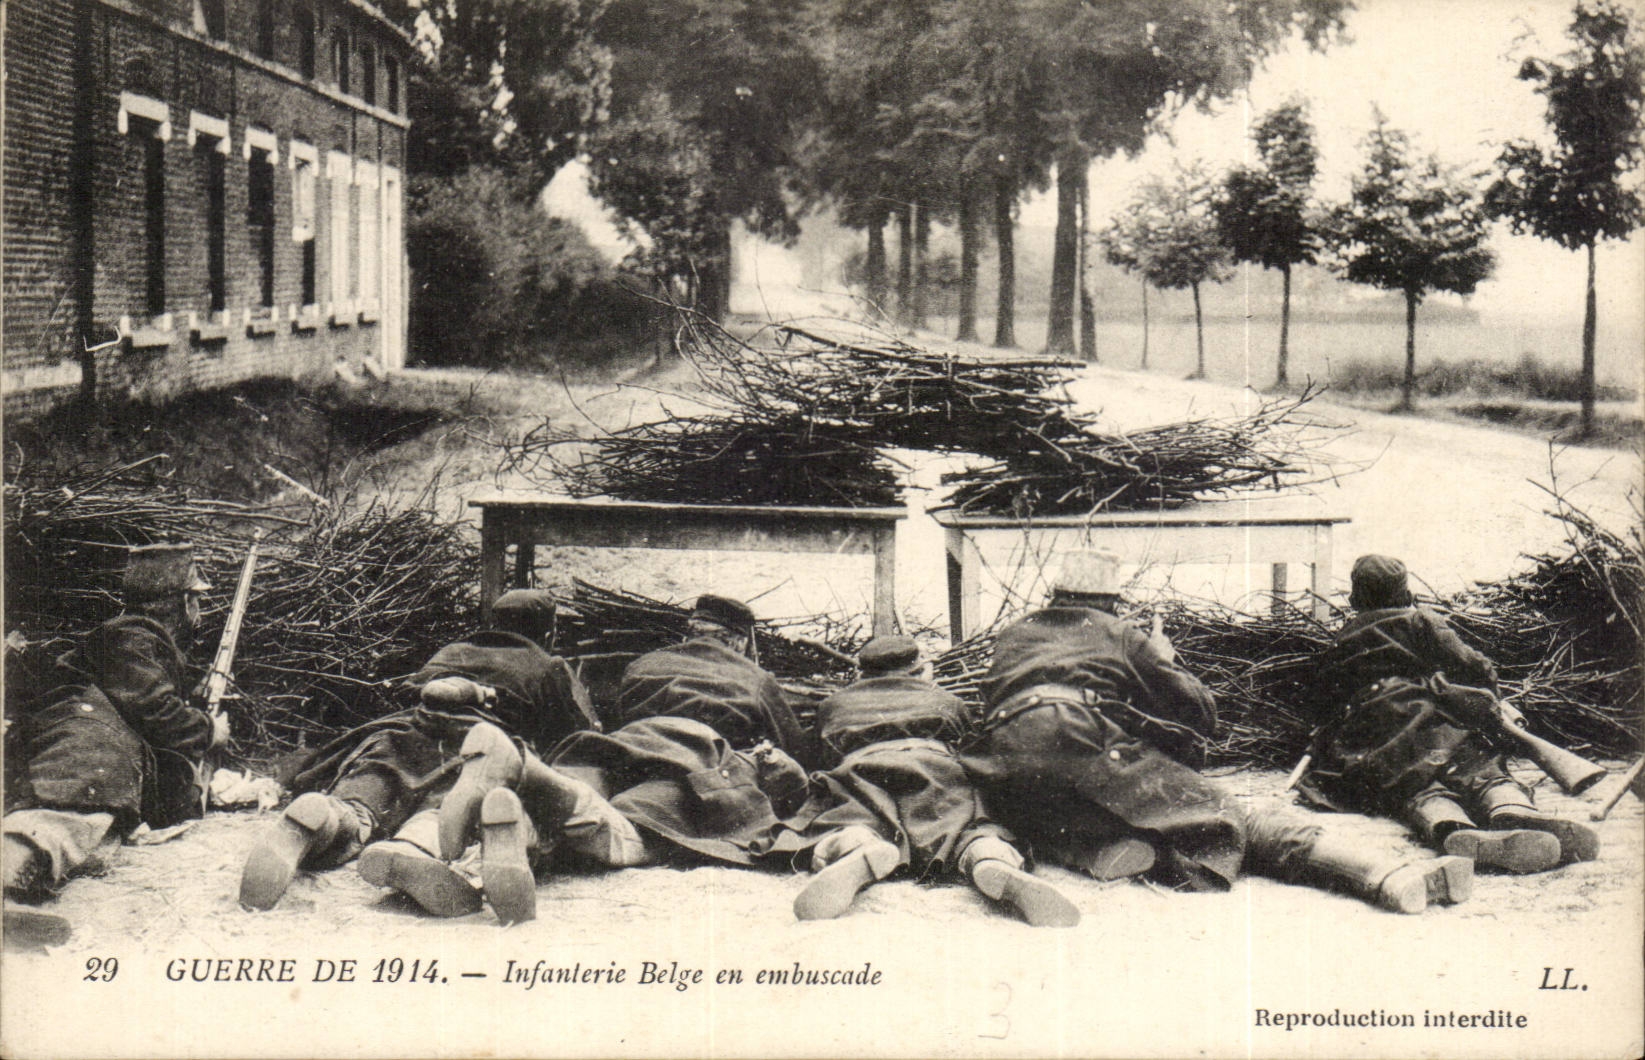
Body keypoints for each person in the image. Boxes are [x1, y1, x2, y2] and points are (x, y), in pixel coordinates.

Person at [964, 548, 1473, 914]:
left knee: (1055, 811)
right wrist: (1166, 660)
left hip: (1003, 762)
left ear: (1057, 595)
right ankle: (1384, 875)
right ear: (1111, 602)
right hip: (1076, 738)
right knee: (1232, 816)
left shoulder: (1016, 632)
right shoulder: (1120, 633)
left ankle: (1091, 852)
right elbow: (1201, 713)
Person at [439, 594, 811, 925]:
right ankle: (527, 771)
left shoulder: (643, 665)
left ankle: (524, 811)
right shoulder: (756, 677)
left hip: (621, 745)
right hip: (696, 752)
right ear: (739, 641)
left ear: (690, 632)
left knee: (580, 791)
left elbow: (616, 714)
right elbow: (796, 748)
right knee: (631, 831)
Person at [237, 589, 599, 915]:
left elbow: (408, 692)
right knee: (446, 808)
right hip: (474, 744)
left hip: (404, 734)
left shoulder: (452, 651)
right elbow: (574, 736)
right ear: (548, 632)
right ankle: (416, 846)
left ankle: (328, 818)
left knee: (363, 804)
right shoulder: (549, 665)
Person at [1294, 553, 1599, 873]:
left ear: (1357, 598)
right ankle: (1510, 806)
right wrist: (1486, 702)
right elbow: (1474, 665)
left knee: (1413, 787)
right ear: (1405, 593)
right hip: (1427, 714)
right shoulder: (1420, 621)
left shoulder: (1344, 637)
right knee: (1475, 763)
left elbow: (1323, 697)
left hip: (1370, 732)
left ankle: (1451, 828)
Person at [769, 635, 1080, 926]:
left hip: (862, 769)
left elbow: (819, 756)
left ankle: (856, 846)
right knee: (969, 823)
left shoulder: (834, 704)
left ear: (861, 676)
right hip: (935, 766)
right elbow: (969, 746)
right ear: (918, 671)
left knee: (850, 815)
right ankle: (987, 857)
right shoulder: (946, 700)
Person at [4, 543, 229, 904]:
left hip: (91, 747)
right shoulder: (132, 636)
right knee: (65, 820)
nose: (199, 612)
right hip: (84, 746)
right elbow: (156, 711)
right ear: (180, 601)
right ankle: (10, 878)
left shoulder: (137, 638)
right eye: (196, 600)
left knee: (95, 830)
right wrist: (209, 730)